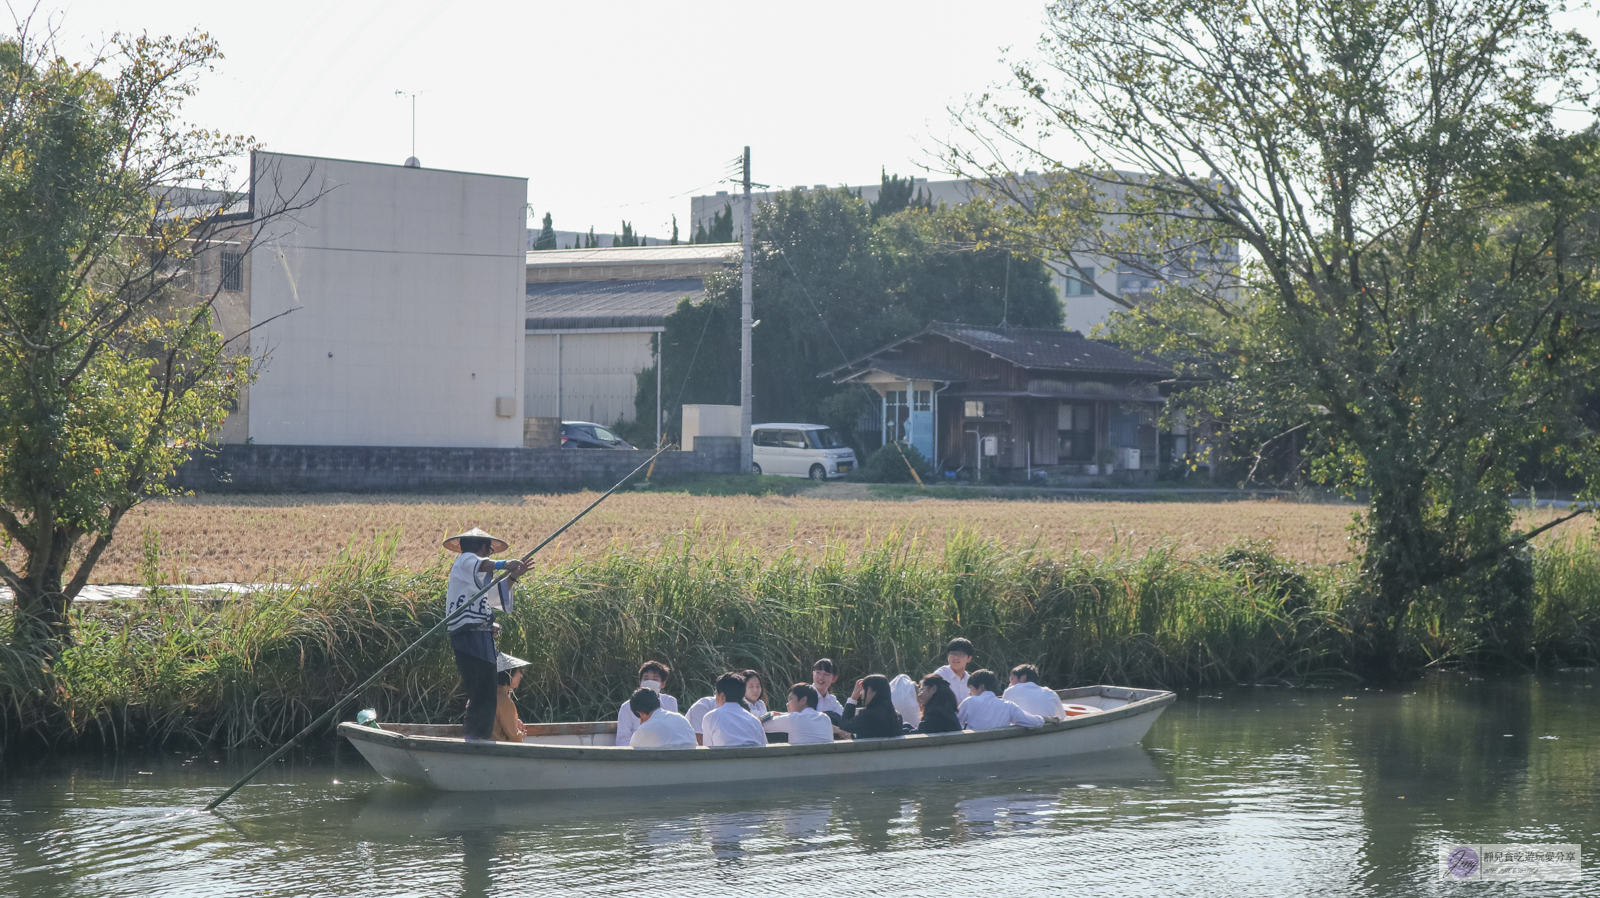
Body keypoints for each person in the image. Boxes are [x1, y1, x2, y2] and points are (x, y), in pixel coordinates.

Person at [444, 528, 528, 742]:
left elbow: (492, 596)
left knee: (487, 691)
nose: (490, 555)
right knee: (482, 691)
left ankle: (478, 738)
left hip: (481, 637)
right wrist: (504, 564)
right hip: (470, 636)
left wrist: (513, 577)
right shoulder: (466, 561)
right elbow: (479, 564)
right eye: (489, 550)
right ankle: (476, 740)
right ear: (481, 547)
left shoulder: (474, 576)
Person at [615, 660, 681, 747]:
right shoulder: (626, 707)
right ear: (640, 682)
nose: (650, 682)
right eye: (646, 678)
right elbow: (622, 741)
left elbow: (673, 732)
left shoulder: (670, 702)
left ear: (663, 684)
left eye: (655, 679)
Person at [958, 669, 1045, 730]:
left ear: (981, 687)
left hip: (973, 750)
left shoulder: (969, 702)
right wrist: (1045, 719)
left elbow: (956, 724)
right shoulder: (1008, 705)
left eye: (971, 688)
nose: (969, 692)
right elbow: (1033, 722)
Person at [700, 672, 767, 747]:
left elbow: (708, 749)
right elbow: (765, 747)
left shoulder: (710, 717)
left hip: (724, 758)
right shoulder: (754, 720)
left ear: (721, 695)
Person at [760, 683, 835, 745]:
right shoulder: (825, 718)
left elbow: (760, 724)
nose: (787, 704)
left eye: (790, 699)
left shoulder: (794, 719)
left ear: (803, 700)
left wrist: (771, 713)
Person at [835, 674, 904, 740]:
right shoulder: (897, 717)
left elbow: (844, 725)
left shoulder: (866, 716)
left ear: (874, 691)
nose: (861, 693)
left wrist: (853, 698)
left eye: (864, 689)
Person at [625, 687, 697, 749]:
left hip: (665, 764)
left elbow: (631, 758)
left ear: (641, 713)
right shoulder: (681, 719)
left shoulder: (643, 730)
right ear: (658, 702)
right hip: (693, 764)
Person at [1002, 664, 1066, 721]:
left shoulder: (1010, 691)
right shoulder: (1051, 693)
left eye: (1012, 679)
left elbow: (1003, 718)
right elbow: (1062, 718)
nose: (1010, 683)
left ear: (1023, 677)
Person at [492, 653, 531, 743]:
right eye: (519, 671)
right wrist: (521, 734)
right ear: (508, 673)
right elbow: (514, 737)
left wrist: (514, 722)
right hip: (495, 752)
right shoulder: (504, 701)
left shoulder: (485, 695)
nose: (521, 675)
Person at [934, 637, 975, 706]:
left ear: (969, 658)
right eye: (953, 653)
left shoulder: (971, 680)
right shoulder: (940, 676)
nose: (956, 657)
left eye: (961, 654)